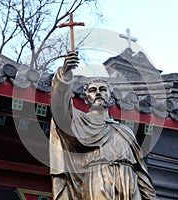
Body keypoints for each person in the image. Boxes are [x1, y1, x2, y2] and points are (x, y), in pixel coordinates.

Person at [50, 52, 156, 200]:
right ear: (86, 99)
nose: (98, 93)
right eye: (93, 90)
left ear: (110, 98)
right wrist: (65, 74)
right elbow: (60, 109)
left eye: (103, 89)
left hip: (129, 181)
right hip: (98, 179)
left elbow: (140, 171)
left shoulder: (125, 131)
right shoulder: (79, 121)